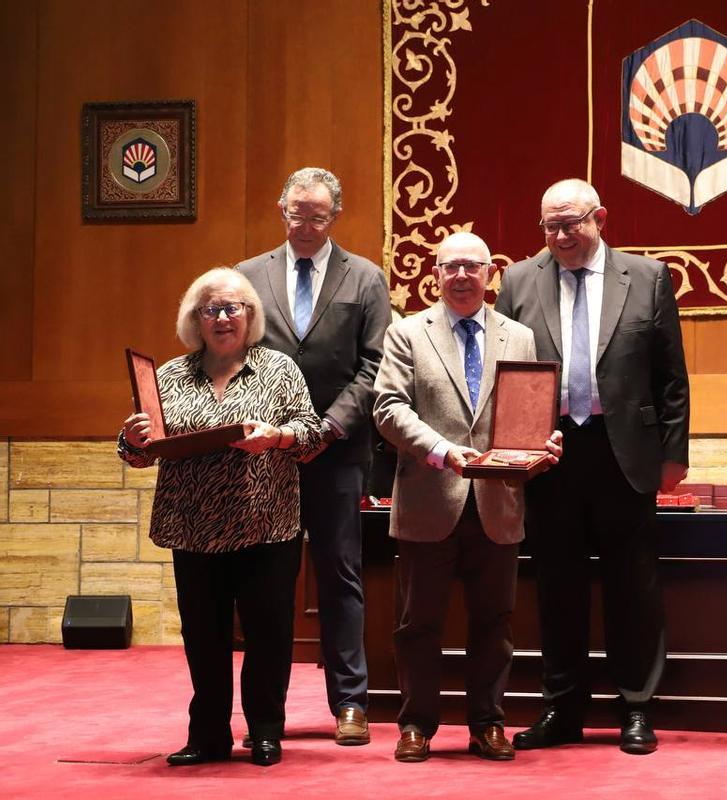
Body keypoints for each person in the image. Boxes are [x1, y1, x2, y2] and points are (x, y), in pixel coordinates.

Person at [494, 178, 690, 755]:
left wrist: (673, 455)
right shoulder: (521, 279)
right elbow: (507, 372)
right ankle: (563, 707)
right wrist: (509, 449)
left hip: (623, 450)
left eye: (569, 224)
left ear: (599, 217)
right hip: (549, 453)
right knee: (558, 587)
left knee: (634, 584)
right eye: (549, 226)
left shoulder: (647, 277)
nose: (558, 236)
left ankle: (635, 706)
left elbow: (671, 376)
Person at [118, 268, 322, 767]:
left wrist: (276, 436)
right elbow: (141, 455)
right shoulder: (167, 376)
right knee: (203, 638)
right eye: (211, 309)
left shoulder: (279, 370)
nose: (223, 318)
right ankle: (208, 735)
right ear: (196, 319)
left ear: (250, 316)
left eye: (233, 308)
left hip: (266, 525)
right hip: (194, 528)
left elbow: (312, 435)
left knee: (269, 635)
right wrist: (133, 439)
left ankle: (265, 731)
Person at [373, 231, 563, 763]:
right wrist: (441, 450)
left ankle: (488, 724)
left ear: (489, 274)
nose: (461, 276)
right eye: (450, 266)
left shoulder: (519, 337)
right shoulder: (407, 333)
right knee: (417, 624)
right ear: (435, 274)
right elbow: (388, 408)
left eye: (471, 267)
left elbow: (526, 415)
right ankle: (415, 726)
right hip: (429, 499)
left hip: (498, 504)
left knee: (494, 624)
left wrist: (542, 442)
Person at [238, 167, 391, 745]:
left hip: (339, 451)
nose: (305, 224)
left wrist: (327, 428)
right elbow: (235, 357)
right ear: (281, 208)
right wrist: (273, 430)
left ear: (335, 216)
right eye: (296, 213)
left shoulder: (367, 279)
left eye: (317, 215)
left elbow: (376, 366)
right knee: (267, 581)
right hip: (265, 452)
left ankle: (350, 703)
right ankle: (266, 714)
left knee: (340, 576)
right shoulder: (247, 275)